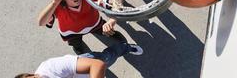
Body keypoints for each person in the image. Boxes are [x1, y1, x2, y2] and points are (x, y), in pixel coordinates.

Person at [38, 0, 126, 55]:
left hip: (95, 24)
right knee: (76, 43)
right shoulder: (58, 7)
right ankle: (78, 47)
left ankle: (116, 38)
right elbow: (41, 22)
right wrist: (55, 2)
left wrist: (112, 20)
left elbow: (117, 0)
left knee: (108, 31)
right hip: (72, 34)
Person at [14, 42, 143, 78]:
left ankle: (125, 47)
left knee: (107, 58)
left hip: (89, 63)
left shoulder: (51, 68)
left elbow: (97, 65)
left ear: (31, 75)